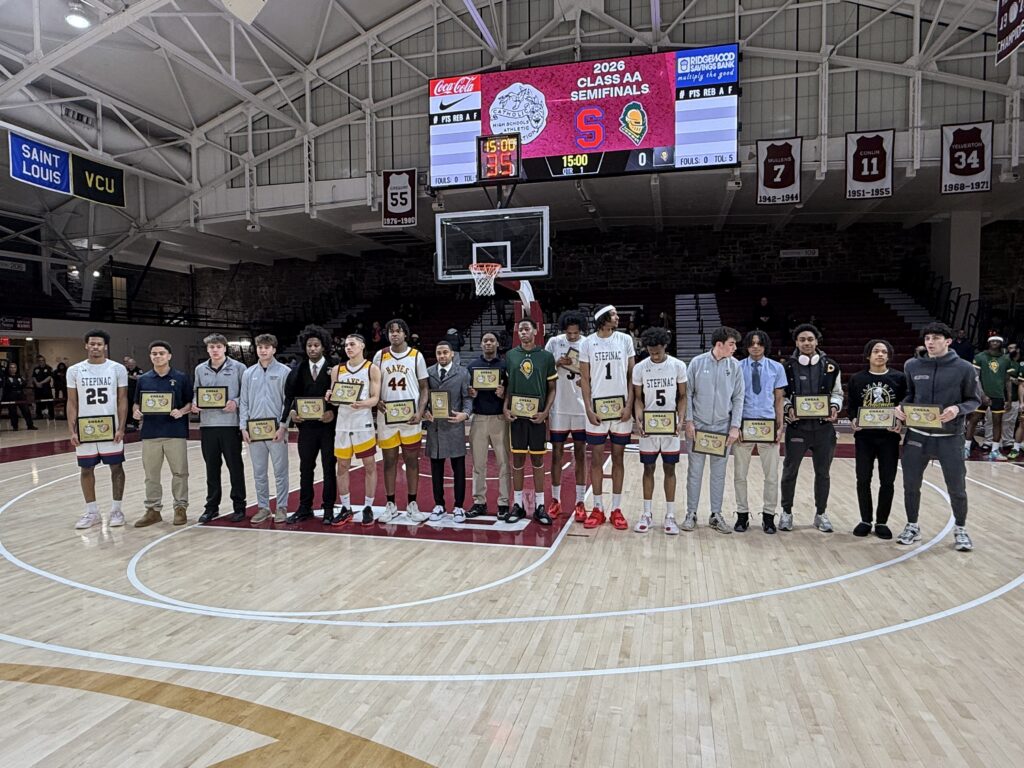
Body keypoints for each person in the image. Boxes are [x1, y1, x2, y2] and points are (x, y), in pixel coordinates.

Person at [895, 322, 980, 551]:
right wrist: (901, 408)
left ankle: (961, 528)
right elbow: (910, 395)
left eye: (935, 338)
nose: (930, 342)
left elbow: (974, 400)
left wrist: (957, 409)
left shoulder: (964, 368)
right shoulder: (912, 365)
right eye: (927, 339)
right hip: (917, 435)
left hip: (950, 436)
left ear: (948, 341)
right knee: (910, 485)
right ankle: (912, 525)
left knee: (956, 486)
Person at [779, 323, 843, 533]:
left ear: (817, 341)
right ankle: (786, 512)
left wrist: (834, 406)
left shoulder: (831, 366)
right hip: (797, 429)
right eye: (802, 340)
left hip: (824, 429)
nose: (806, 343)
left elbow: (838, 393)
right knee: (790, 471)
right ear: (796, 343)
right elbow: (782, 396)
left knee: (823, 473)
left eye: (810, 339)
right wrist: (788, 409)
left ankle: (821, 513)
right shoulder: (787, 367)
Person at [579, 305, 635, 530]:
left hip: (621, 410)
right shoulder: (587, 343)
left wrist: (629, 405)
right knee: (596, 459)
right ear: (603, 319)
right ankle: (598, 508)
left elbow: (633, 375)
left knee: (619, 459)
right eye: (614, 315)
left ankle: (616, 509)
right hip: (598, 410)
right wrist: (588, 409)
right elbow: (584, 378)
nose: (618, 317)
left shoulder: (625, 340)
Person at [683, 326, 743, 533]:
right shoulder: (697, 363)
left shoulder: (735, 366)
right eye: (731, 344)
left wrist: (735, 426)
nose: (735, 347)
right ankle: (691, 513)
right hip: (698, 426)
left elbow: (738, 397)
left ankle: (716, 514)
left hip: (722, 427)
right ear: (720, 344)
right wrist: (688, 421)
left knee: (718, 474)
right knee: (695, 472)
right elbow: (688, 394)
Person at [67, 330, 128, 529]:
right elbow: (72, 402)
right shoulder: (74, 370)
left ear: (105, 346)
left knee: (116, 468)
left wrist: (121, 427)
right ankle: (92, 512)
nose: (95, 347)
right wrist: (72, 430)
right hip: (86, 429)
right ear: (86, 345)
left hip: (110, 429)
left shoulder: (117, 369)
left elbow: (122, 399)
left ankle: (116, 510)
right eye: (92, 344)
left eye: (99, 344)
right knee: (86, 469)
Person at [847, 339, 906, 539]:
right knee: (863, 479)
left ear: (888, 356)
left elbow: (903, 405)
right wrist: (854, 419)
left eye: (883, 352)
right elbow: (852, 405)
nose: (880, 354)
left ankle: (882, 522)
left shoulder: (900, 378)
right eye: (876, 351)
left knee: (887, 480)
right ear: (868, 355)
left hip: (889, 437)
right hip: (864, 437)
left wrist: (900, 422)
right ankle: (865, 519)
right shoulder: (857, 378)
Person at [631, 327, 688, 534]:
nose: (654, 354)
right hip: (650, 425)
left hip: (670, 425)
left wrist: (680, 420)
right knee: (648, 469)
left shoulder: (678, 366)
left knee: (670, 469)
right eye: (651, 351)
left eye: (657, 351)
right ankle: (647, 513)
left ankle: (670, 515)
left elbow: (683, 396)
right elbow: (638, 398)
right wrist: (638, 419)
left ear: (665, 346)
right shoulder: (640, 368)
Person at [372, 319, 428, 523]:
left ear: (405, 334)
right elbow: (373, 385)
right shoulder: (380, 355)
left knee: (412, 461)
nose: (394, 334)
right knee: (389, 461)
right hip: (386, 417)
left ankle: (412, 504)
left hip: (410, 417)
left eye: (398, 331)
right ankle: (391, 505)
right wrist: (376, 399)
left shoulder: (416, 356)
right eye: (391, 331)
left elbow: (424, 388)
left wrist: (421, 411)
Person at [503, 318, 557, 524]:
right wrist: (505, 407)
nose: (523, 332)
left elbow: (552, 388)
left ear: (536, 331)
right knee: (517, 461)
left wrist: (545, 413)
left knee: (537, 460)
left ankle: (540, 505)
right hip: (517, 417)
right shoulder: (510, 356)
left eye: (527, 328)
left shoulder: (546, 357)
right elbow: (507, 386)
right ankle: (517, 505)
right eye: (520, 329)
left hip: (537, 417)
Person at [133, 340, 192, 527]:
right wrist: (136, 411)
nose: (157, 356)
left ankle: (180, 508)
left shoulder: (181, 377)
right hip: (150, 433)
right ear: (150, 356)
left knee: (180, 473)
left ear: (169, 356)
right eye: (154, 353)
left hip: (175, 432)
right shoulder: (143, 379)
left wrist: (181, 411)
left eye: (161, 353)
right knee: (151, 475)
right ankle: (153, 510)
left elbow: (191, 403)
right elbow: (137, 402)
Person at [732, 329, 786, 534]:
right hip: (744, 425)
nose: (755, 346)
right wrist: (735, 426)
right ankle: (742, 514)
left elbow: (779, 398)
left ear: (765, 345)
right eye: (752, 343)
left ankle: (769, 516)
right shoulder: (737, 367)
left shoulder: (776, 367)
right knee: (740, 475)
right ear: (746, 345)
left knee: (771, 475)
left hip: (767, 426)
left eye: (759, 343)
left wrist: (780, 426)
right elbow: (733, 398)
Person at [284, 325, 338, 524]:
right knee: (305, 468)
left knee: (328, 467)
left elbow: (341, 395)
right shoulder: (298, 369)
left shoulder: (336, 367)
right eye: (309, 345)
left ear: (323, 347)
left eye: (316, 345)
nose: (312, 349)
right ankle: (304, 507)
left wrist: (333, 412)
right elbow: (290, 397)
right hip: (306, 428)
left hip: (328, 428)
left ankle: (329, 507)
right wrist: (292, 412)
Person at [192, 333, 248, 524]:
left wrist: (236, 402)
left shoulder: (239, 368)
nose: (214, 350)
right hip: (208, 425)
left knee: (235, 467)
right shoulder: (200, 369)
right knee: (211, 468)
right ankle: (211, 507)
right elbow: (196, 392)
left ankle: (239, 506)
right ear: (207, 349)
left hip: (230, 425)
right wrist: (194, 403)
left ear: (225, 348)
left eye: (218, 346)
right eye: (211, 347)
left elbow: (246, 394)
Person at [239, 333, 291, 525]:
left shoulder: (285, 371)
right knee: (259, 471)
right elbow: (243, 401)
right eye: (260, 347)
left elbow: (288, 401)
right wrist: (243, 426)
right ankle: (263, 507)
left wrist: (283, 426)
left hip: (276, 430)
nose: (263, 350)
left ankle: (282, 506)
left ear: (274, 350)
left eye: (267, 347)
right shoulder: (248, 373)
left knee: (280, 471)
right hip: (254, 431)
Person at [329, 334, 380, 527]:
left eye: (352, 344)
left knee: (369, 465)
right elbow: (335, 398)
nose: (348, 347)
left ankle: (368, 507)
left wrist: (362, 403)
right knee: (342, 466)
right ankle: (345, 507)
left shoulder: (371, 369)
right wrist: (330, 396)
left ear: (362, 346)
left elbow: (375, 398)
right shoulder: (337, 369)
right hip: (342, 423)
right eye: (346, 345)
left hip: (362, 422)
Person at [544, 311, 589, 522]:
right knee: (557, 455)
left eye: (575, 333)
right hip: (559, 407)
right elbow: (543, 367)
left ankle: (580, 502)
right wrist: (556, 362)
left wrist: (586, 381)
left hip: (580, 407)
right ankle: (555, 500)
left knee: (580, 454)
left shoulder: (588, 343)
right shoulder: (554, 342)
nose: (572, 336)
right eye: (569, 333)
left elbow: (595, 371)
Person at [424, 340, 472, 522]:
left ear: (452, 354)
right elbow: (423, 397)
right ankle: (439, 505)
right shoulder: (428, 373)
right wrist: (424, 412)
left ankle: (459, 506)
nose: (442, 356)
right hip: (434, 427)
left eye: (445, 352)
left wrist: (465, 414)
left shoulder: (462, 372)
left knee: (458, 468)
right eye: (439, 353)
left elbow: (467, 398)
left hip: (454, 426)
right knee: (436, 469)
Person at [466, 332, 510, 519]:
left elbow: (512, 390)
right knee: (478, 464)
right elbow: (466, 392)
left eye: (492, 340)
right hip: (479, 418)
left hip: (500, 418)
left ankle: (504, 503)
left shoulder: (505, 365)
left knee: (504, 463)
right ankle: (479, 502)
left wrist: (504, 393)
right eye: (485, 341)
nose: (489, 343)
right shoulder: (472, 366)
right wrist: (471, 393)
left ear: (497, 344)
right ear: (481, 344)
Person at [966, 336, 1017, 461]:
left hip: (998, 395)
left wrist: (1009, 399)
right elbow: (975, 378)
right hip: (980, 395)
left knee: (997, 422)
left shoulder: (1006, 359)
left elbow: (1008, 381)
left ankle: (994, 450)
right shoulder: (980, 357)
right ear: (988, 342)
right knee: (974, 420)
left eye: (997, 341)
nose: (995, 343)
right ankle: (966, 448)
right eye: (993, 341)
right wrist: (982, 394)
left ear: (1001, 343)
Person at [3, 362, 36, 430]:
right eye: (11, 367)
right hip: (11, 395)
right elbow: (8, 385)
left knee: (26, 410)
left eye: (14, 367)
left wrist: (16, 384)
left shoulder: (19, 376)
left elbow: (24, 383)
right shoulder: (6, 377)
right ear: (9, 368)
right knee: (13, 411)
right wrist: (16, 384)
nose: (13, 369)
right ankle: (15, 426)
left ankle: (30, 425)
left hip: (20, 394)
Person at [31, 354, 54, 420]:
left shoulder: (48, 368)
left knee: (49, 402)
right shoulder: (36, 369)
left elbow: (49, 377)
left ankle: (51, 415)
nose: (41, 361)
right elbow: (34, 377)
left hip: (46, 388)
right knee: (38, 402)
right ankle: (39, 415)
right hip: (38, 388)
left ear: (45, 361)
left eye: (42, 360)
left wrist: (41, 383)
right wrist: (36, 383)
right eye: (39, 360)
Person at [124, 356, 143, 430]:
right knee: (127, 407)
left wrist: (130, 377)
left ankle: (136, 423)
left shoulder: (138, 370)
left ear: (134, 364)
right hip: (127, 391)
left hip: (135, 391)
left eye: (132, 365)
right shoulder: (126, 370)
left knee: (135, 407)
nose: (130, 366)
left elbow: (140, 377)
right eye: (129, 365)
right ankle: (128, 423)